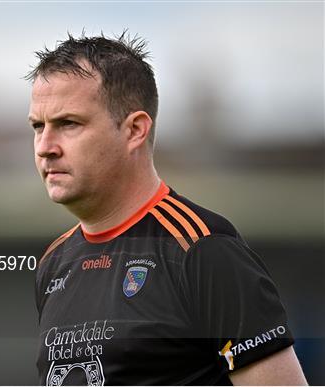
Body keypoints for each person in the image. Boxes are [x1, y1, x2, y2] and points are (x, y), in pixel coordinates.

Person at [26, 33, 307, 386]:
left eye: (68, 124)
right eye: (38, 126)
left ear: (135, 130)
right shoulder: (54, 263)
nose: (45, 147)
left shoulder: (203, 250)